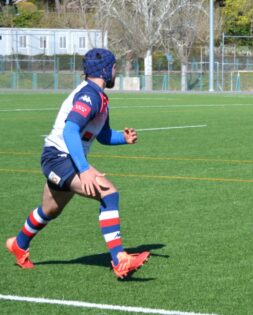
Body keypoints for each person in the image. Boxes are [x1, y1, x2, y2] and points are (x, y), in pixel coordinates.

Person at [5, 48, 150, 279]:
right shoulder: (89, 95)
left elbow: (102, 136)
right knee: (109, 193)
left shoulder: (99, 96)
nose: (115, 71)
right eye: (114, 67)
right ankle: (119, 258)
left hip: (61, 158)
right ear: (104, 70)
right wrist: (84, 170)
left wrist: (123, 138)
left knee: (50, 209)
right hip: (59, 157)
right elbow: (71, 129)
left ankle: (18, 244)